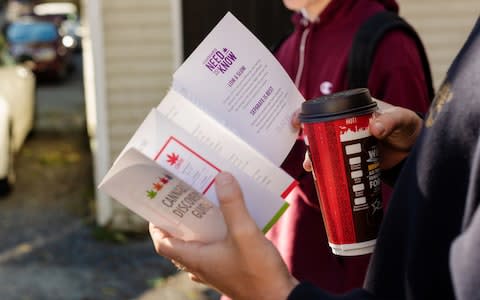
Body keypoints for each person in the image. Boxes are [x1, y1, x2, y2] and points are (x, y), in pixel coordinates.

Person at [149, 16, 480, 299]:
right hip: (282, 259)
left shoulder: (387, 42)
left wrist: (273, 292)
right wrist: (417, 152)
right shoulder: (287, 44)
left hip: (340, 280)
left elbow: (426, 259)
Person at [268, 0, 432, 293]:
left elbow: (415, 188)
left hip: (350, 286)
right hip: (281, 269)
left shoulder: (387, 42)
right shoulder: (287, 45)